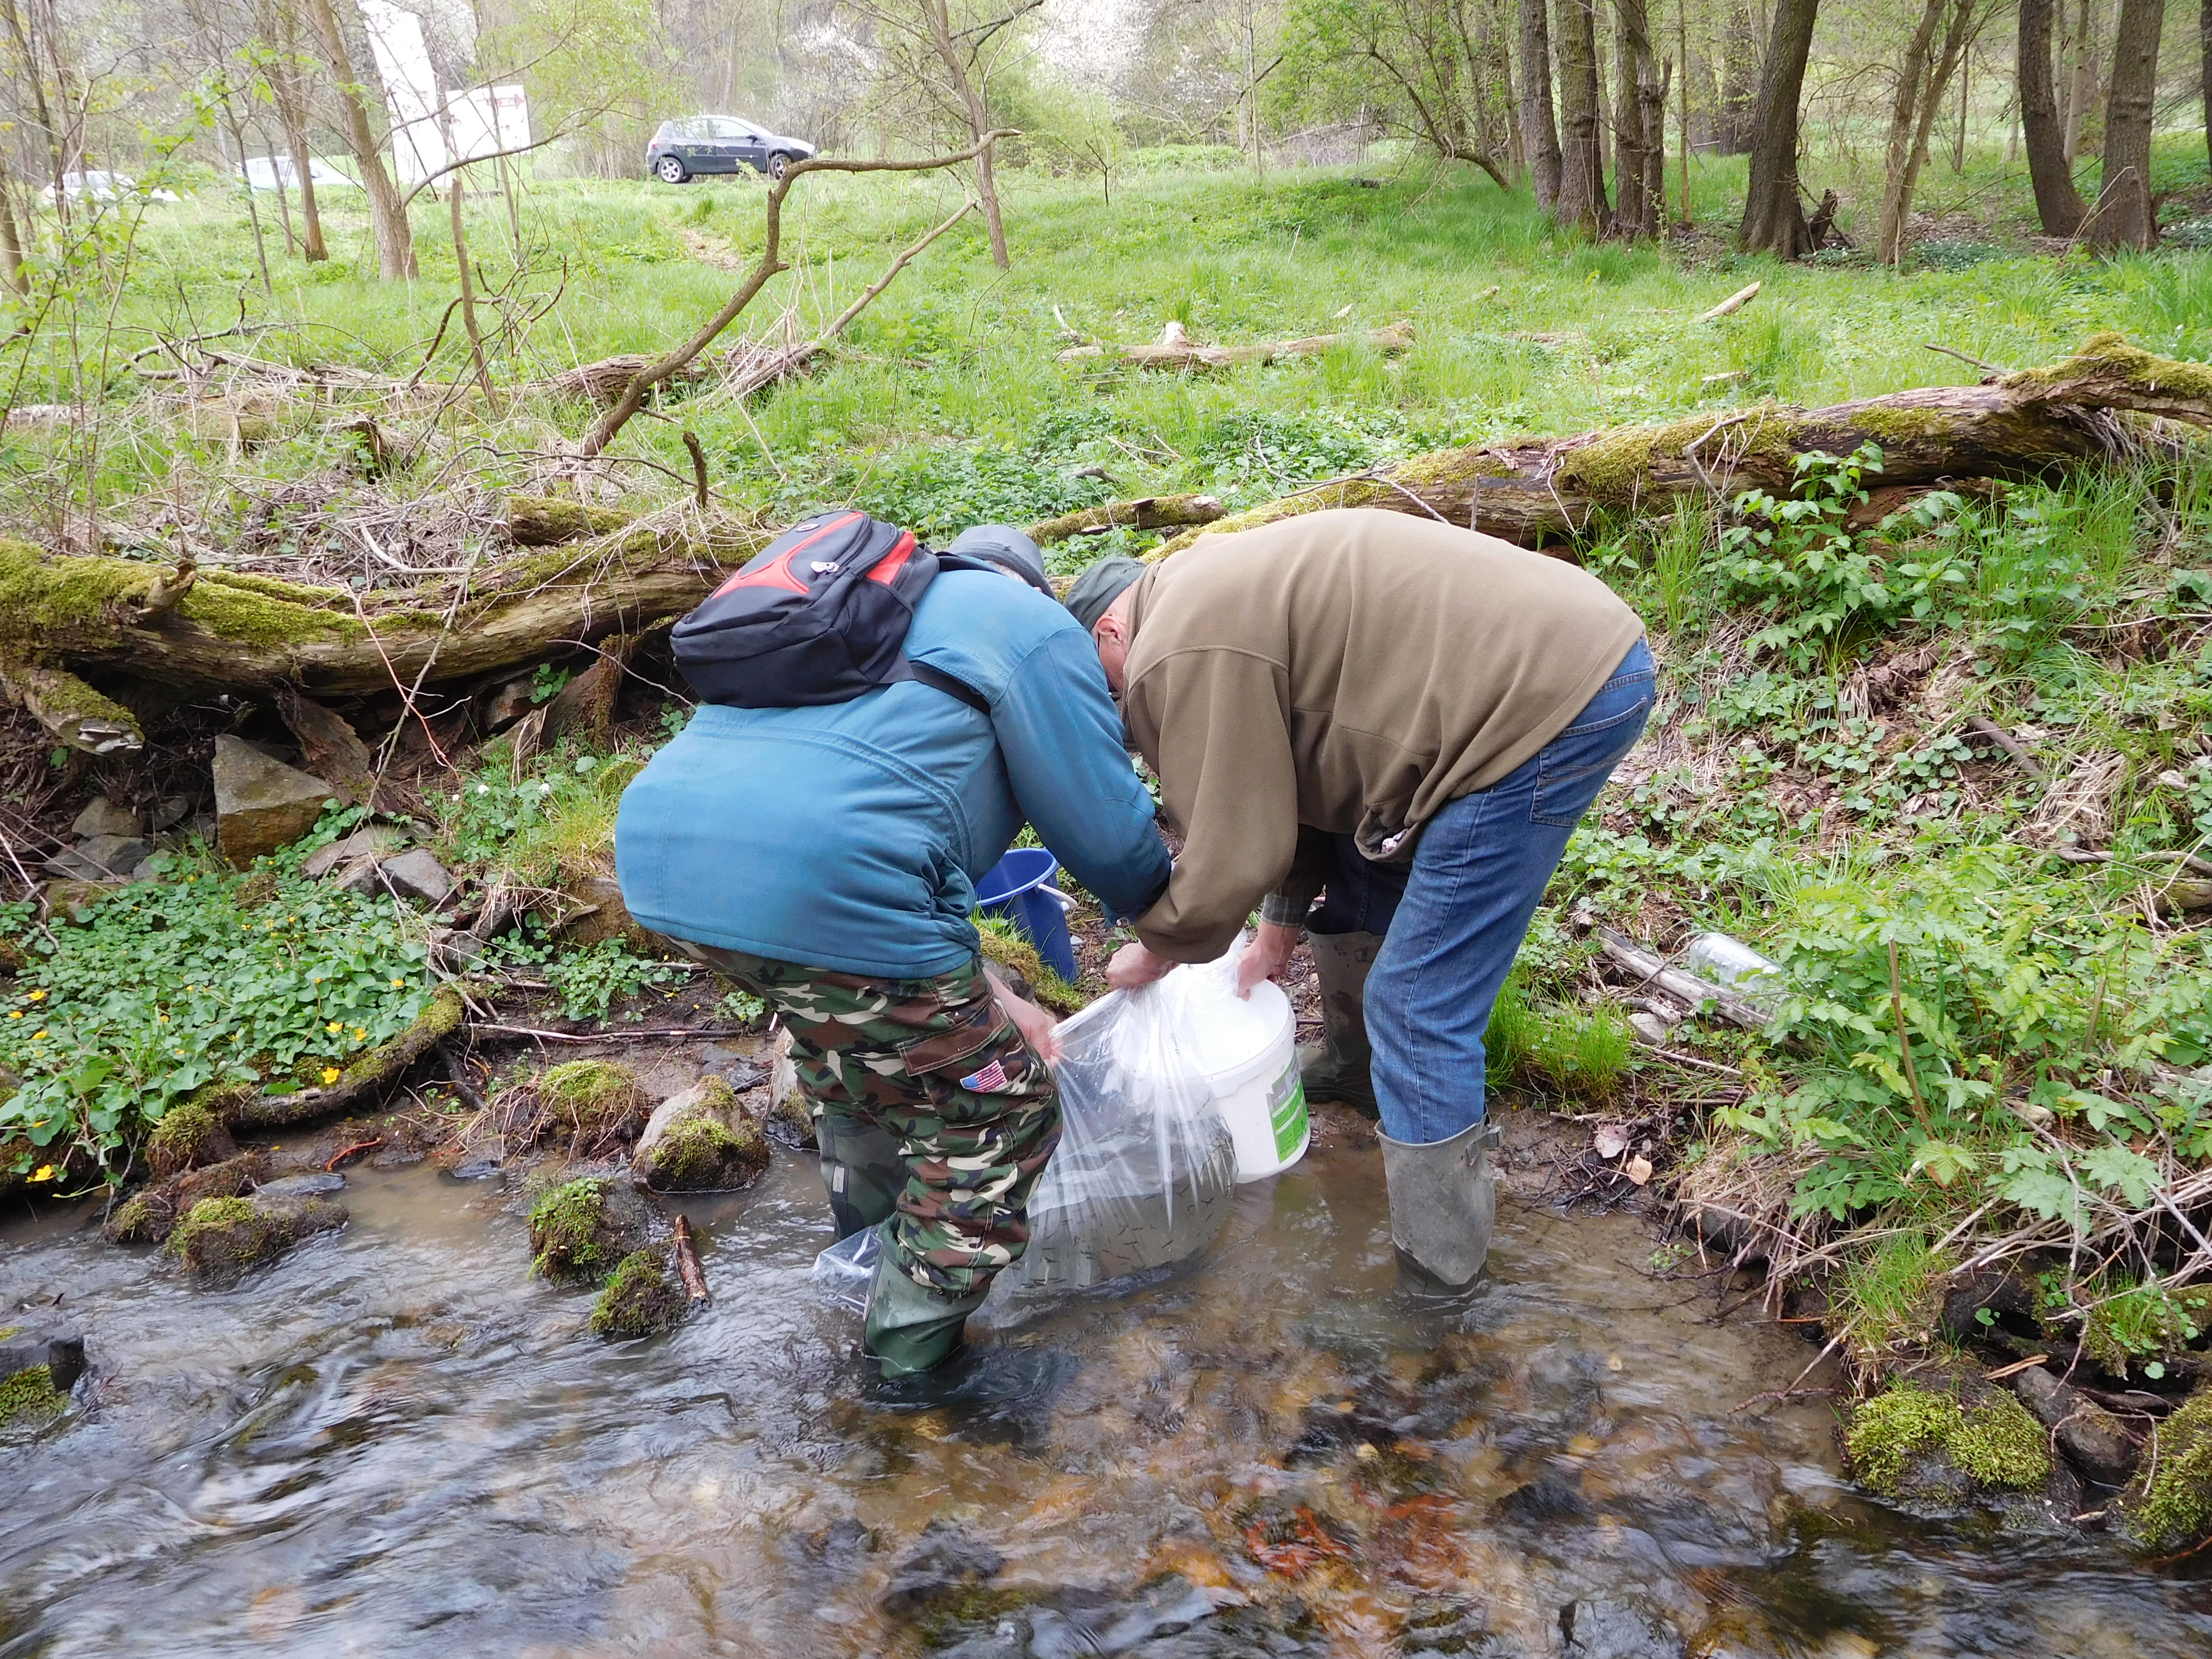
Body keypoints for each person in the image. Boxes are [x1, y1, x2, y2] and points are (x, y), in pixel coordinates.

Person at [617, 524, 1171, 1377]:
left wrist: (993, 991)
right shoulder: (1031, 630)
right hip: (828, 879)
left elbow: (890, 840)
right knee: (1000, 1116)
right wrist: (1182, 921)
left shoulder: (866, 617)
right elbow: (1112, 844)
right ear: (1035, 587)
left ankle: (865, 1263)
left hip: (664, 864)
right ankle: (906, 1371)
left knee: (858, 1057)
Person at [1062, 507, 1652, 1291]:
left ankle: (1441, 1284)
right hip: (1540, 667)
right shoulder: (1200, 600)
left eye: (1103, 689)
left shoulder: (1177, 644)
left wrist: (1164, 945)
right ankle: (1359, 1070)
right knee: (1360, 865)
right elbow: (1282, 790)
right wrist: (1276, 929)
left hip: (1542, 701)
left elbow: (1235, 844)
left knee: (1418, 1005)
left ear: (1110, 632)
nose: (1121, 715)